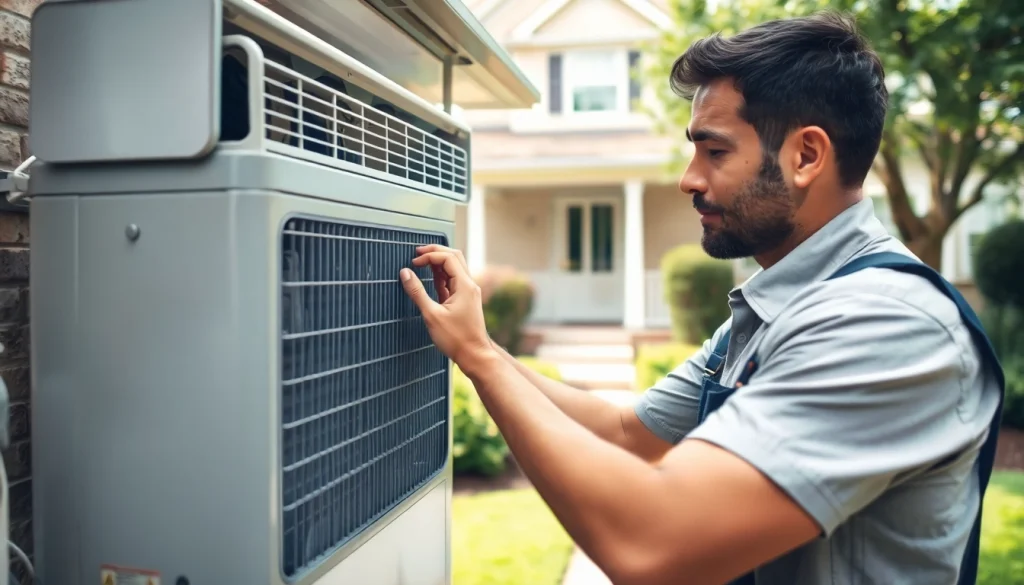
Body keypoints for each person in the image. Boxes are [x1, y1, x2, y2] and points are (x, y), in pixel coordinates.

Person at [399, 11, 1004, 585]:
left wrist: (480, 360)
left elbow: (652, 543)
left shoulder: (885, 324)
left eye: (714, 151)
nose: (688, 178)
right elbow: (624, 433)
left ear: (806, 155)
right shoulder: (778, 309)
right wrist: (479, 347)